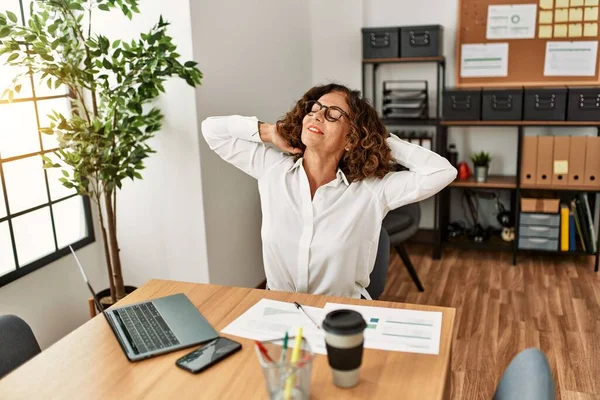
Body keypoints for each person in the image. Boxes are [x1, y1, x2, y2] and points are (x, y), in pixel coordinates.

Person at [201, 83, 456, 299]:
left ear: (351, 138)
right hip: (279, 310)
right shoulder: (273, 170)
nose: (317, 115)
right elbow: (212, 131)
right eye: (314, 109)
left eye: (333, 113)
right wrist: (269, 132)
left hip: (341, 315)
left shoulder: (371, 191)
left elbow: (442, 172)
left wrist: (379, 140)